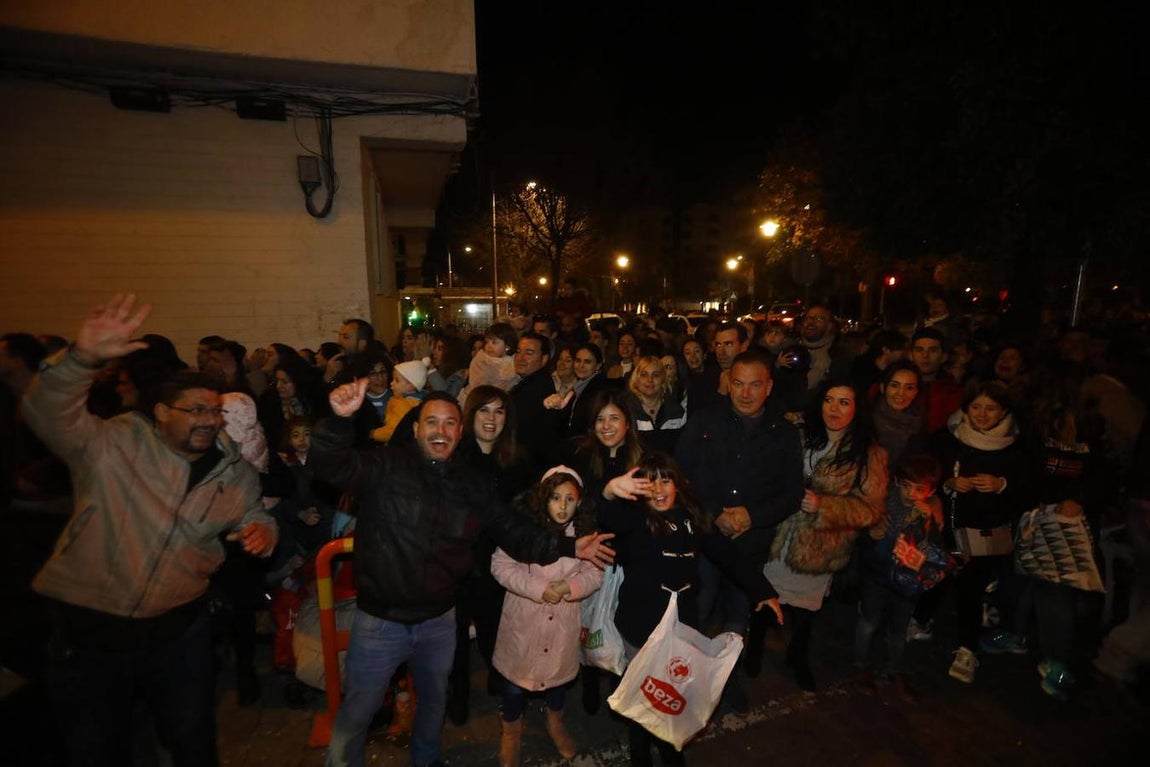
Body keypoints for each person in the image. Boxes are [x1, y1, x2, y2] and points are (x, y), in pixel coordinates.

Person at [21, 294, 278, 766]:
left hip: (178, 630)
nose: (208, 421)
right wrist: (81, 359)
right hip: (90, 630)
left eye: (214, 412)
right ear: (161, 412)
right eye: (195, 411)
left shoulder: (231, 469)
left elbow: (254, 513)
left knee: (192, 738)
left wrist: (263, 530)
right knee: (98, 746)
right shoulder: (112, 444)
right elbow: (46, 412)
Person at [309, 386, 616, 767]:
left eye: (450, 423)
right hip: (381, 621)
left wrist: (570, 548)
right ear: (417, 428)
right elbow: (328, 465)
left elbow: (513, 532)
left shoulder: (471, 484)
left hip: (438, 619)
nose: (441, 430)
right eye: (432, 422)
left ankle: (426, 761)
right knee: (359, 710)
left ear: (460, 431)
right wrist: (338, 421)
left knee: (434, 703)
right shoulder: (383, 467)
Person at [597, 452, 783, 767]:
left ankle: (671, 750)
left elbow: (727, 554)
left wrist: (762, 590)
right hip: (638, 627)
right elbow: (608, 518)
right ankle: (639, 752)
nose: (658, 488)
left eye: (665, 479)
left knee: (669, 693)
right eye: (649, 480)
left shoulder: (694, 518)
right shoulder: (635, 519)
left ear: (678, 484)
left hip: (679, 627)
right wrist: (610, 491)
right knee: (640, 695)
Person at [675, 349, 804, 707]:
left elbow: (792, 493)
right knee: (695, 613)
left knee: (736, 616)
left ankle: (724, 680)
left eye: (755, 385)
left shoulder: (784, 433)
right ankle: (685, 679)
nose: (745, 393)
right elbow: (680, 476)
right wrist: (714, 512)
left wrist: (752, 515)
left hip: (750, 545)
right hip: (705, 539)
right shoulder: (703, 422)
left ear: (769, 387)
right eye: (738, 384)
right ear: (727, 384)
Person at [764, 376, 888, 691]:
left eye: (844, 402)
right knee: (764, 599)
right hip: (778, 535)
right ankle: (752, 652)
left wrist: (825, 506)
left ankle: (798, 656)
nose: (834, 408)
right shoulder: (798, 434)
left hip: (819, 546)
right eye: (829, 400)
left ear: (857, 408)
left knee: (804, 613)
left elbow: (871, 511)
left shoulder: (868, 454)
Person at [492, 466, 603, 766]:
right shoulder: (523, 530)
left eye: (570, 499)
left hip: (562, 625)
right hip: (524, 623)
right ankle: (511, 733)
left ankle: (555, 723)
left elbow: (595, 573)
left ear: (579, 502)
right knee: (515, 685)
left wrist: (571, 586)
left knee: (557, 682)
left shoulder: (583, 535)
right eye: (555, 497)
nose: (563, 506)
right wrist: (539, 588)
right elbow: (500, 566)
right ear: (543, 499)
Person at [931, 381, 1029, 685]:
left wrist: (1002, 485)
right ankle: (922, 621)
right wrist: (948, 483)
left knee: (971, 588)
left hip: (988, 534)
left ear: (1003, 411)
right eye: (976, 407)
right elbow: (926, 471)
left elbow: (1031, 487)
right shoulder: (948, 438)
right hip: (951, 527)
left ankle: (967, 649)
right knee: (940, 577)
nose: (983, 414)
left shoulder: (1017, 445)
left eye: (991, 408)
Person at [853, 452, 946, 702]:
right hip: (878, 575)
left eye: (919, 489)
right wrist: (879, 533)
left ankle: (896, 670)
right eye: (906, 486)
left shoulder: (930, 509)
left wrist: (929, 523)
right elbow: (871, 542)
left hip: (908, 581)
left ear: (931, 490)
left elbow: (934, 549)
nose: (911, 494)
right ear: (896, 482)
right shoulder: (885, 503)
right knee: (869, 621)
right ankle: (860, 665)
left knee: (899, 627)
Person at [624, 355, 688, 454]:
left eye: (656, 375)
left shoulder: (676, 412)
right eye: (644, 374)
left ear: (663, 380)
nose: (650, 380)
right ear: (636, 380)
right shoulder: (625, 411)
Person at [871, 361, 925, 470]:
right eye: (894, 385)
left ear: (916, 392)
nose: (901, 393)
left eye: (909, 388)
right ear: (883, 388)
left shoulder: (919, 422)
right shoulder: (867, 420)